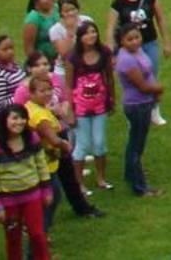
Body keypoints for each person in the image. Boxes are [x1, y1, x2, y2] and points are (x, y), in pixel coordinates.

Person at [18, 67, 98, 225]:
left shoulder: (35, 107)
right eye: (42, 91)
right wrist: (65, 145)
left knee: (61, 187)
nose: (47, 93)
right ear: (32, 93)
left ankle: (42, 225)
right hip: (50, 157)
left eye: (49, 89)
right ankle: (39, 228)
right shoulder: (39, 115)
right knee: (52, 194)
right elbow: (53, 139)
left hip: (50, 156)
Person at [0, 105, 50, 260]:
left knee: (37, 236)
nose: (19, 122)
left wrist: (46, 190)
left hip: (33, 196)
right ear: (4, 120)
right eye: (14, 118)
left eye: (22, 118)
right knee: (13, 239)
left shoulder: (32, 139)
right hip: (9, 201)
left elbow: (41, 164)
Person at [106, 0, 166, 128]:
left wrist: (166, 42)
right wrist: (111, 49)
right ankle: (132, 111)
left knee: (151, 74)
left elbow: (160, 20)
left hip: (149, 42)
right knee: (131, 79)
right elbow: (110, 27)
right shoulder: (118, 3)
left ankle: (154, 111)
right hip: (129, 48)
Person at [62, 20, 113, 193]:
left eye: (93, 32)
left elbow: (109, 77)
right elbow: (68, 86)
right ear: (80, 37)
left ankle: (101, 178)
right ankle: (79, 184)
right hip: (80, 108)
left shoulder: (104, 52)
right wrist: (70, 110)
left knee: (100, 142)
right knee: (82, 145)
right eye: (86, 33)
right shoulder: (73, 58)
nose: (91, 36)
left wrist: (111, 99)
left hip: (100, 105)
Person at [112, 28, 160, 199]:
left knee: (134, 141)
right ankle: (140, 187)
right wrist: (159, 89)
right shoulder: (126, 60)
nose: (135, 42)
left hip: (144, 103)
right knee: (136, 146)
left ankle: (130, 174)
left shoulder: (137, 51)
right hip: (138, 104)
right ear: (122, 42)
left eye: (137, 37)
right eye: (129, 39)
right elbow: (143, 86)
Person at [16, 0, 54, 67]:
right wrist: (38, 65)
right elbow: (28, 49)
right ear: (36, 1)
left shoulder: (56, 8)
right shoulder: (33, 19)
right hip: (43, 63)